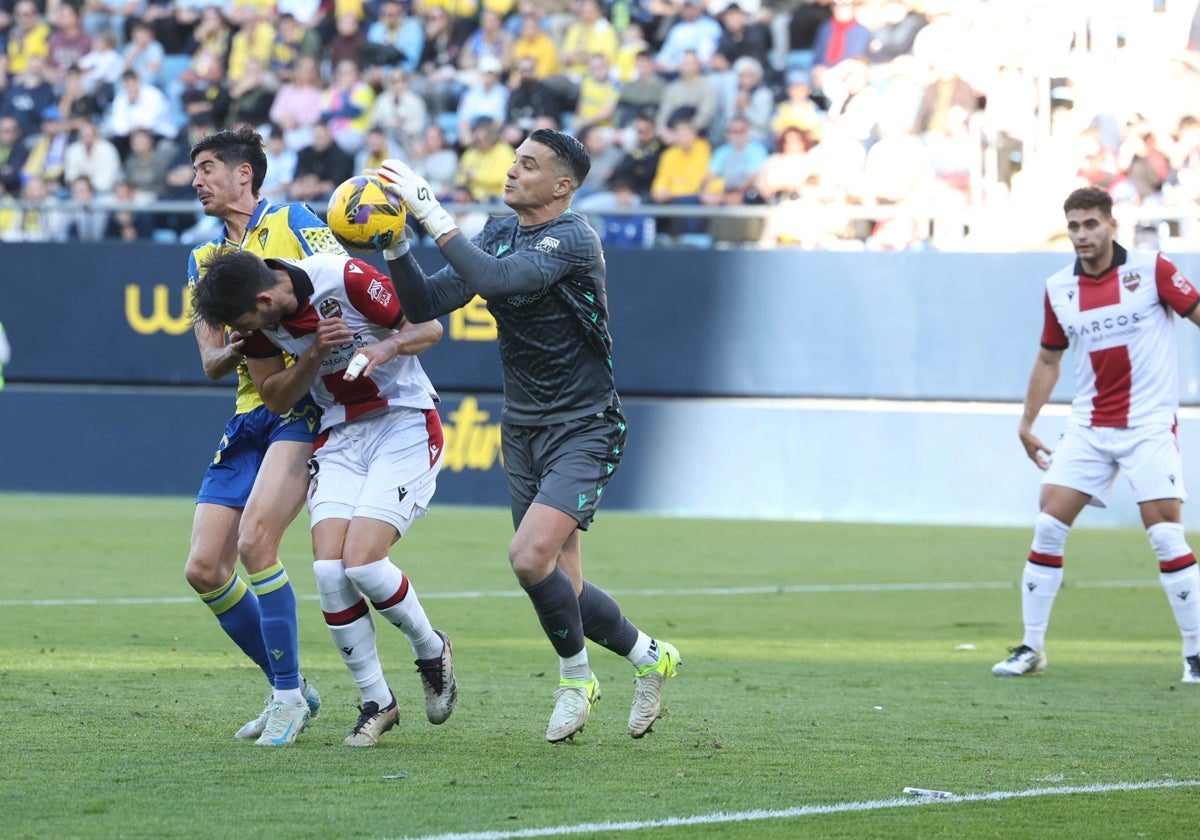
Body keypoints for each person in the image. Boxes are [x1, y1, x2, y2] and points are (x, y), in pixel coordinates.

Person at [372, 129, 681, 743]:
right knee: (559, 581)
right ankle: (650, 657)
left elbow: (497, 281)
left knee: (527, 557)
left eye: (529, 165)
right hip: (523, 426)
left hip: (585, 425)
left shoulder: (573, 238)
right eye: (513, 161)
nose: (512, 172)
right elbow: (429, 300)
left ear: (562, 186)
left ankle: (576, 679)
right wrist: (397, 243)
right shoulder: (499, 227)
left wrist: (431, 210)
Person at [189, 248, 458, 747]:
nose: (238, 334)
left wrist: (385, 349)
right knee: (328, 571)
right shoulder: (257, 326)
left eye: (241, 321)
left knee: (361, 563)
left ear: (265, 297)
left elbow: (430, 329)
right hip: (340, 433)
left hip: (403, 421)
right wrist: (313, 353)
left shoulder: (344, 276)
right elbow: (274, 397)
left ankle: (431, 647)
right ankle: (377, 701)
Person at [994, 186, 1200, 685]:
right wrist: (1026, 422)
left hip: (1148, 425)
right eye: (1074, 226)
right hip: (1088, 427)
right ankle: (1032, 648)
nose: (1082, 235)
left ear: (1112, 224)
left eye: (1090, 224)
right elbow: (1049, 358)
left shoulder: (1152, 270)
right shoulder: (1058, 288)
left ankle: (1195, 654)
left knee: (1167, 535)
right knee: (1047, 525)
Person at [184, 126, 345, 746]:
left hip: (299, 406)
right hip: (248, 412)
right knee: (204, 568)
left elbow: (336, 295)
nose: (196, 180)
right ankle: (294, 689)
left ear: (242, 173)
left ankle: (283, 700)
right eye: (195, 171)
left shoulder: (298, 221)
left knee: (257, 545)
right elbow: (210, 361)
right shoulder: (202, 260)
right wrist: (249, 338)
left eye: (205, 168)